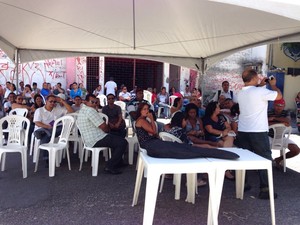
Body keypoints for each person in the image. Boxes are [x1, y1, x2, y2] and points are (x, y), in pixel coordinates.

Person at [235, 68, 282, 200]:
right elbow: (279, 96)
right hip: (258, 131)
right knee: (264, 159)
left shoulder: (240, 93)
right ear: (254, 78)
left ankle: (242, 185)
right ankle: (265, 190)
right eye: (257, 78)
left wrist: (261, 85)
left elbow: (253, 92)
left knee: (243, 158)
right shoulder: (260, 92)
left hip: (243, 130)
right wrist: (273, 85)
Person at [135, 102, 239, 160]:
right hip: (150, 145)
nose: (147, 111)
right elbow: (153, 132)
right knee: (182, 149)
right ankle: (221, 154)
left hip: (153, 143)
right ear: (140, 110)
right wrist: (152, 120)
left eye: (147, 109)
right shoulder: (141, 121)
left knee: (180, 147)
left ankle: (223, 154)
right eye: (144, 109)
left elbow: (152, 132)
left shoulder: (144, 120)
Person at [77, 94, 128, 175]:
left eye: (96, 102)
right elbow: (104, 127)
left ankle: (118, 162)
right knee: (123, 142)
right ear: (86, 102)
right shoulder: (90, 111)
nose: (94, 104)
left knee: (117, 139)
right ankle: (110, 165)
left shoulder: (82, 110)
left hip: (89, 139)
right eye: (92, 102)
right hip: (96, 139)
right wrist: (108, 129)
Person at [33, 94, 74, 165]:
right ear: (46, 101)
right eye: (51, 101)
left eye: (54, 102)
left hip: (53, 130)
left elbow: (71, 111)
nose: (53, 103)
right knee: (47, 135)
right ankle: (45, 132)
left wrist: (62, 101)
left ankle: (46, 159)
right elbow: (37, 123)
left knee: (62, 128)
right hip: (43, 128)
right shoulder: (39, 110)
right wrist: (48, 127)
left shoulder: (57, 109)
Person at [268, 98, 300, 169]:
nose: (279, 107)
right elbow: (266, 123)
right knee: (261, 149)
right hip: (269, 136)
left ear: (284, 106)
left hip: (281, 137)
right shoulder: (269, 112)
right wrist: (282, 122)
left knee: (296, 150)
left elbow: (288, 121)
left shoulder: (286, 112)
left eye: (281, 105)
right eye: (277, 105)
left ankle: (278, 159)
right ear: (274, 105)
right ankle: (264, 165)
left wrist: (273, 119)